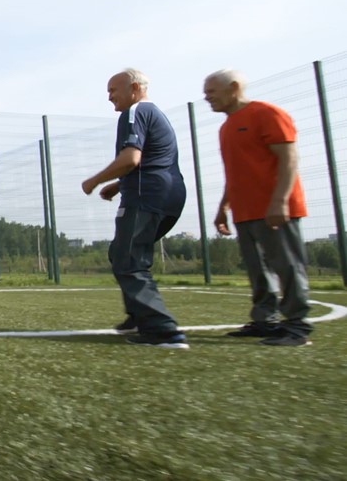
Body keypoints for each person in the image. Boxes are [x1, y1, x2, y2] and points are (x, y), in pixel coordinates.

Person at [204, 69, 313, 347]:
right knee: (258, 270)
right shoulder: (226, 126)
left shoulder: (267, 113)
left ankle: (297, 325)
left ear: (234, 87)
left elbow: (289, 158)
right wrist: (223, 207)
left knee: (287, 265)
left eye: (212, 92)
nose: (207, 98)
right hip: (245, 210)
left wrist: (279, 201)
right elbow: (235, 173)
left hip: (275, 208)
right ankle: (265, 320)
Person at [81, 68, 189, 349]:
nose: (109, 98)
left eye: (112, 91)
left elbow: (131, 158)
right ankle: (138, 314)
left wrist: (95, 180)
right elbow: (150, 160)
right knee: (122, 253)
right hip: (168, 195)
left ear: (133, 88)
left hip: (147, 196)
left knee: (129, 259)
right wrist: (118, 186)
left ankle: (162, 330)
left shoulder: (135, 112)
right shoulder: (155, 114)